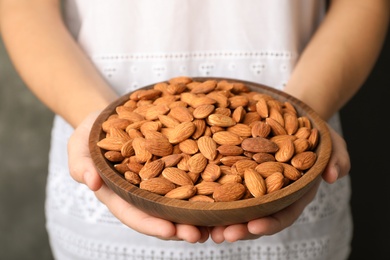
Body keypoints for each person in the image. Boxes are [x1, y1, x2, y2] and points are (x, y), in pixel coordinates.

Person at [1, 0, 388, 259]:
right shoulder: (135, 147)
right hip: (106, 131)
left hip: (290, 124)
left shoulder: (275, 141)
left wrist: (306, 109)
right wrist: (99, 116)